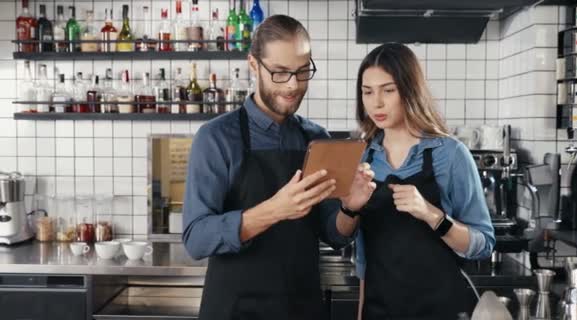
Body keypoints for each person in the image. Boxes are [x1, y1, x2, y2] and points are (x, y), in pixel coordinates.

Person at [182, 15, 375, 320]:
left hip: (301, 307)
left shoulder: (316, 138)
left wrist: (350, 209)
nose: (293, 85)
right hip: (236, 309)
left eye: (302, 71)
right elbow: (196, 239)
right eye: (280, 72)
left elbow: (333, 233)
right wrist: (275, 209)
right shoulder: (216, 138)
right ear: (254, 65)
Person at [353, 43, 496, 320]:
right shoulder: (363, 158)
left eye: (388, 90)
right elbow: (363, 256)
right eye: (367, 92)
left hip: (440, 309)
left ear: (410, 89)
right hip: (379, 309)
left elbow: (484, 243)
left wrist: (432, 215)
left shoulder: (451, 154)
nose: (376, 103)